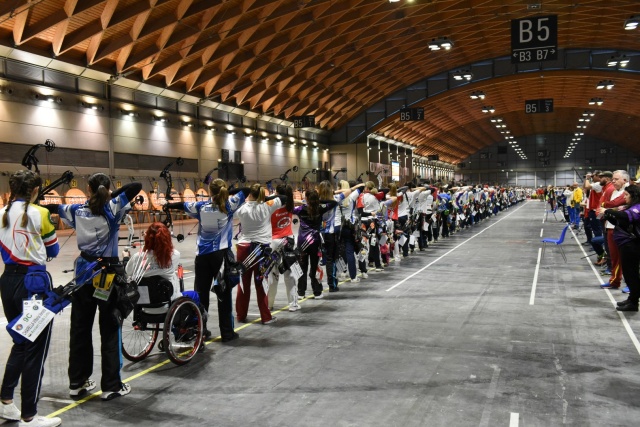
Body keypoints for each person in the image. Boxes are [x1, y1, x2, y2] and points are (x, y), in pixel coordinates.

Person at [53, 173, 141, 401]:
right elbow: (136, 186)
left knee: (80, 327)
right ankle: (111, 385)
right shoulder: (112, 207)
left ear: (88, 189)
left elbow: (54, 208)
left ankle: (77, 382)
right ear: (107, 189)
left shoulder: (77, 209)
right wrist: (110, 196)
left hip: (84, 271)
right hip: (107, 273)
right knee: (110, 326)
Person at [0, 170, 61, 427]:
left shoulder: (2, 212)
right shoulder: (41, 213)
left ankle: (5, 402)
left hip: (8, 281)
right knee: (35, 349)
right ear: (35, 190)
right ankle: (29, 416)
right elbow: (53, 249)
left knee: (21, 343)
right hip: (33, 283)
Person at [165, 178, 247, 342]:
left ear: (210, 192)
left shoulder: (201, 206)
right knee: (223, 295)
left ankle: (200, 331)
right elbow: (246, 190)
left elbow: (182, 205)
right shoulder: (228, 205)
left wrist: (169, 205)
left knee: (201, 295)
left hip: (202, 257)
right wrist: (228, 192)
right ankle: (227, 333)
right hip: (220, 257)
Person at [235, 184, 286, 324]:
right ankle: (266, 317)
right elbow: (284, 198)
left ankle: (240, 315)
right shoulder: (267, 205)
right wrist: (264, 198)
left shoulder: (241, 207)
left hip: (244, 247)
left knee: (243, 283)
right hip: (261, 249)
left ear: (249, 194)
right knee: (261, 282)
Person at [293, 190, 338, 298]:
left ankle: (301, 292)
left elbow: (289, 207)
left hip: (303, 241)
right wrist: (318, 201)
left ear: (307, 198)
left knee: (302, 267)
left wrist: (303, 202)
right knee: (314, 266)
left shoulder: (301, 209)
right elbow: (334, 202)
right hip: (315, 241)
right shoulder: (320, 208)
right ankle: (317, 292)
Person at [602, 184, 640, 311]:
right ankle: (632, 299)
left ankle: (634, 302)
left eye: (627, 195)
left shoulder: (637, 208)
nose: (624, 197)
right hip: (625, 244)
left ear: (634, 196)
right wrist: (611, 218)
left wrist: (609, 211)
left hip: (632, 245)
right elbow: (622, 223)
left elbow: (626, 216)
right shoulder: (630, 207)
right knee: (628, 274)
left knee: (631, 274)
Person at [124, 222, 182, 302]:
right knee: (194, 295)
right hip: (168, 302)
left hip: (145, 305)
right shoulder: (175, 255)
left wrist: (126, 257)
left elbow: (128, 271)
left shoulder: (138, 257)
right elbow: (158, 253)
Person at [266, 184, 300, 312]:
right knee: (290, 274)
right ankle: (293, 304)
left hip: (274, 241)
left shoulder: (271, 204)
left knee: (273, 274)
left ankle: (269, 305)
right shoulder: (290, 204)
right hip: (288, 240)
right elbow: (296, 201)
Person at [596, 170, 629, 290]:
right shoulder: (615, 190)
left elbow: (615, 203)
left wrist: (606, 206)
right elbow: (608, 204)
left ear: (624, 180)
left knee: (625, 258)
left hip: (622, 228)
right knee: (615, 256)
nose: (613, 181)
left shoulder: (628, 191)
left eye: (616, 179)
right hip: (611, 226)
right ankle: (615, 281)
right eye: (613, 179)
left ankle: (630, 284)